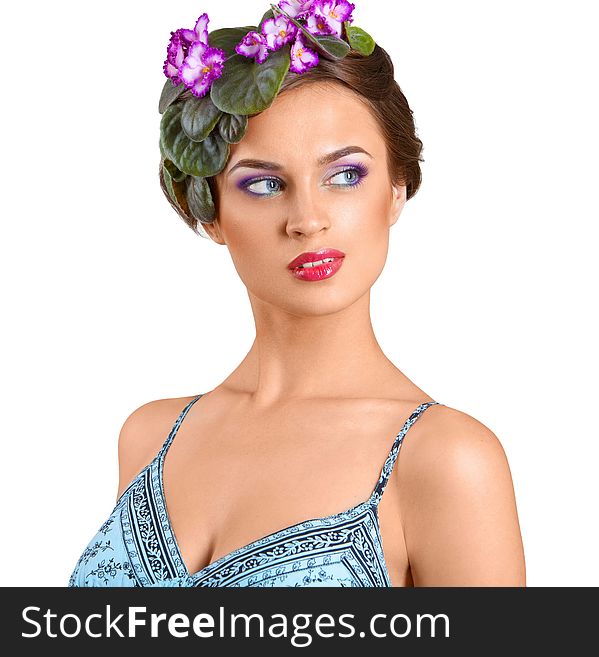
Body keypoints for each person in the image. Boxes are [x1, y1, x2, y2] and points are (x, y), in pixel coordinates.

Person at [68, 1, 525, 587]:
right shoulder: (149, 437)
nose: (307, 220)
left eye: (344, 176)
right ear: (210, 215)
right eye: (263, 184)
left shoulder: (445, 461)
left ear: (396, 190)